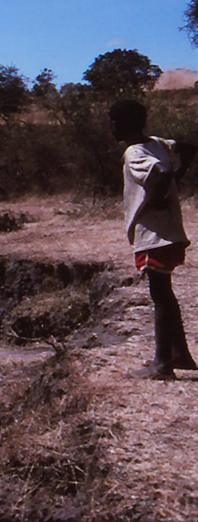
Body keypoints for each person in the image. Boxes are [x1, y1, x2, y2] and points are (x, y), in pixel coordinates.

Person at [111, 99, 198, 380]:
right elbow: (188, 148)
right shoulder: (158, 143)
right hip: (170, 231)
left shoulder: (134, 152)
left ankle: (162, 363)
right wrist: (176, 181)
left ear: (122, 124)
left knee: (160, 296)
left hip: (154, 233)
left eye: (114, 121)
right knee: (166, 295)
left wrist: (157, 198)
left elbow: (160, 173)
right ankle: (180, 354)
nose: (111, 126)